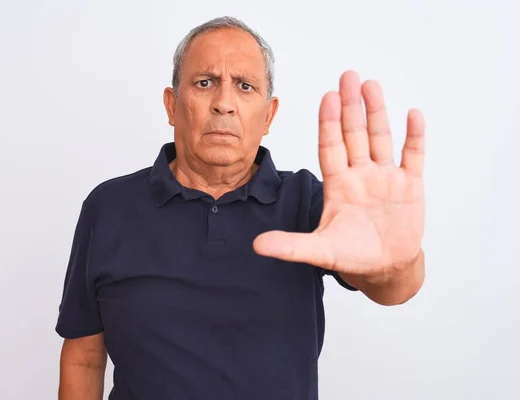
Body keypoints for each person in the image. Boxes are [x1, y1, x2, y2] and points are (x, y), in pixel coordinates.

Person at [55, 16, 426, 400]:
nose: (224, 104)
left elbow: (394, 289)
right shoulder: (110, 206)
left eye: (245, 87)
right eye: (205, 83)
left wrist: (395, 263)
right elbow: (84, 355)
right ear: (171, 105)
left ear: (268, 115)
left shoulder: (307, 200)